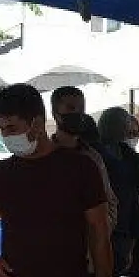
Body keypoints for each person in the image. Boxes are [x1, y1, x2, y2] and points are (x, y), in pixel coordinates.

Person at [0, 84, 112, 277]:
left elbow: (99, 233)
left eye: (12, 128)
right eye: (2, 129)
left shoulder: (81, 168)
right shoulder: (0, 174)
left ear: (37, 123)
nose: (6, 136)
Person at [99, 107, 139, 277]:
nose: (132, 137)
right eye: (129, 131)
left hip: (115, 238)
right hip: (122, 238)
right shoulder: (129, 162)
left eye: (135, 133)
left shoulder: (94, 155)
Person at [50, 86, 118, 231]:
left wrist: (102, 231)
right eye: (71, 108)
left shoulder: (93, 157)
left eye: (81, 108)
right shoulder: (45, 155)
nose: (77, 113)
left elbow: (109, 199)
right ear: (55, 114)